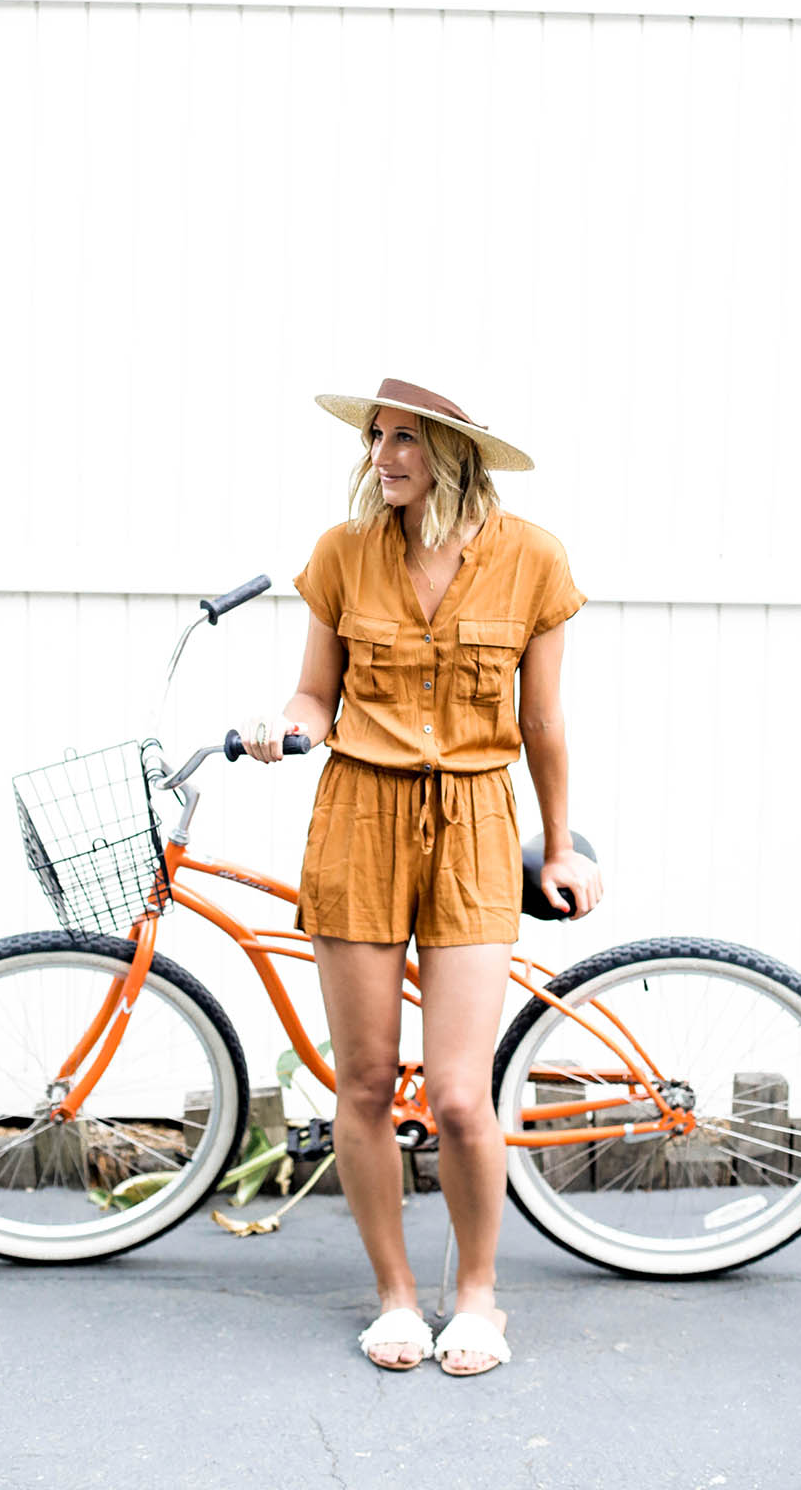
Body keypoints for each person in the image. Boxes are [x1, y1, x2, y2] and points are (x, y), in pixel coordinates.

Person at [238, 377, 602, 1376]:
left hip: (479, 821)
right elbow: (316, 692)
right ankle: (396, 1296)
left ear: (454, 451)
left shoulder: (533, 559)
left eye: (405, 438)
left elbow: (542, 723)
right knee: (362, 1083)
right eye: (375, 436)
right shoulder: (343, 553)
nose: (382, 455)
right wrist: (292, 729)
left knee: (456, 1094)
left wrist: (560, 845)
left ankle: (479, 1297)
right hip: (359, 815)